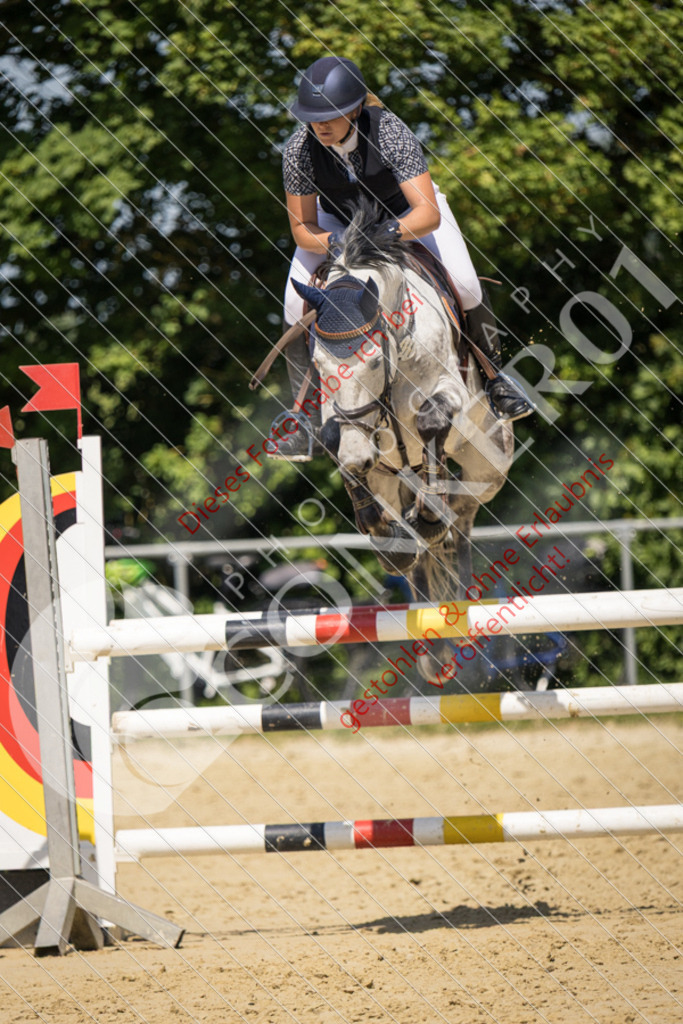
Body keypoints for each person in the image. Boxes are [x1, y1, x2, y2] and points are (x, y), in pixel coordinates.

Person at [269, 55, 533, 461]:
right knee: (292, 299)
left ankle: (496, 379)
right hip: (336, 223)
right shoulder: (300, 150)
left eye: (331, 115)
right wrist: (343, 245)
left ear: (355, 108)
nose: (320, 125)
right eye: (313, 116)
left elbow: (426, 214)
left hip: (404, 215)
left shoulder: (390, 132)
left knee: (463, 283)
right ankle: (303, 417)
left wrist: (384, 234)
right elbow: (302, 228)